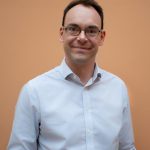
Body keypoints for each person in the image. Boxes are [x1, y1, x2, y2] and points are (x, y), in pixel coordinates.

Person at [8, 0, 136, 149]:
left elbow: (127, 147)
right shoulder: (34, 91)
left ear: (102, 37)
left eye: (91, 30)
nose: (82, 37)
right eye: (73, 28)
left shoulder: (118, 88)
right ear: (62, 34)